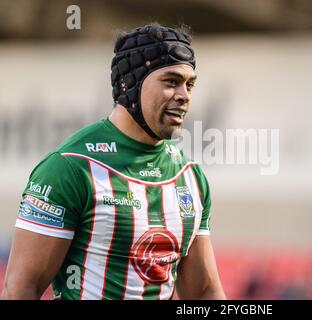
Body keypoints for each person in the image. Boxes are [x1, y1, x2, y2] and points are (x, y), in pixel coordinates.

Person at [1, 23, 226, 300]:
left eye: (190, 84)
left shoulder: (190, 176)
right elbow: (21, 288)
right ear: (128, 84)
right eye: (171, 81)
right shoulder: (71, 167)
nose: (184, 95)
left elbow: (203, 291)